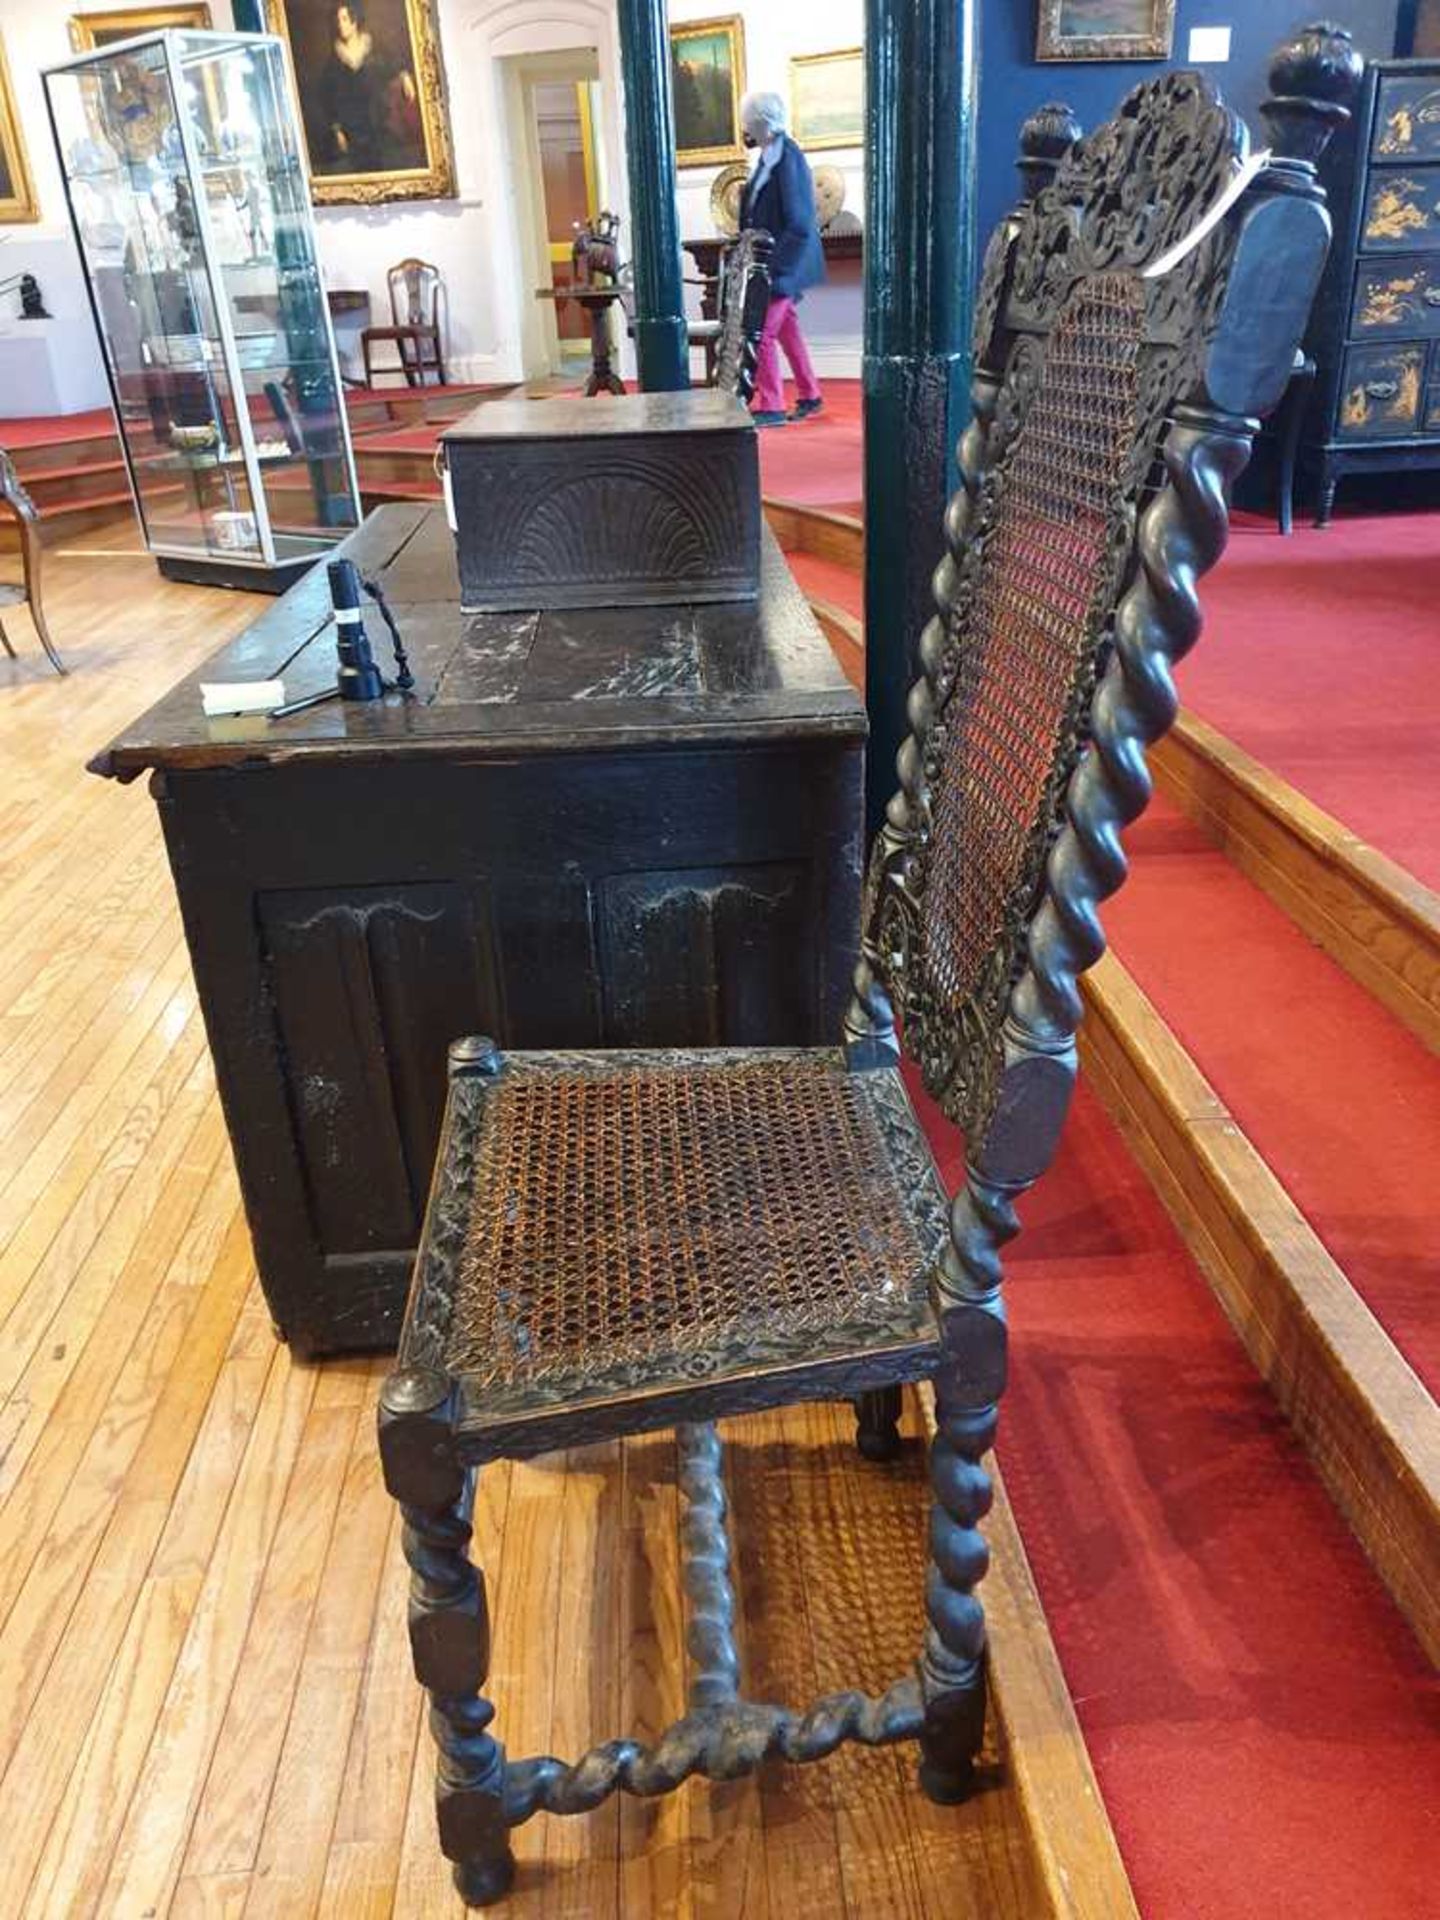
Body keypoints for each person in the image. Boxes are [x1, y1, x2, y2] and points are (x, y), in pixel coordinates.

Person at [737, 91, 824, 428]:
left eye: (748, 122)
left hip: (783, 263)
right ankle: (810, 393)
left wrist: (773, 272)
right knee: (786, 329)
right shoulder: (769, 155)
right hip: (774, 260)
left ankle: (771, 403)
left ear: (762, 123)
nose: (744, 128)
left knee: (762, 332)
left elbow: (800, 223)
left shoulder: (788, 158)